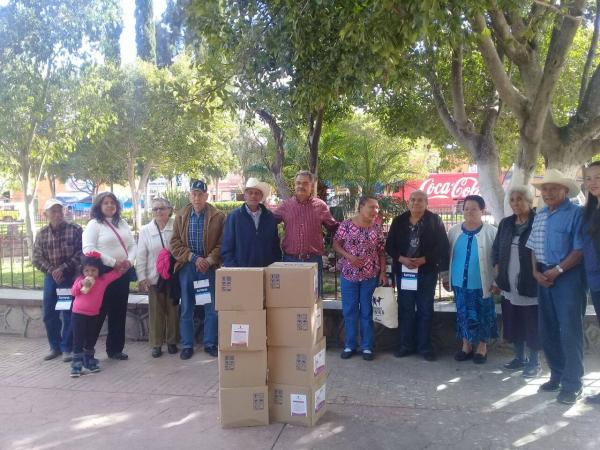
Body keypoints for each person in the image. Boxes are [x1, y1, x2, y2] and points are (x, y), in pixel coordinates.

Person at [526, 169, 585, 405]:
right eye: (544, 189)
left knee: (569, 331)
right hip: (543, 276)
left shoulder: (576, 213)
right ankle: (557, 375)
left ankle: (573, 384)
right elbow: (532, 247)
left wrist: (558, 270)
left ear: (565, 191)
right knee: (547, 329)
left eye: (553, 189)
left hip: (568, 278)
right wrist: (535, 272)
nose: (547, 193)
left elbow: (579, 251)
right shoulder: (540, 214)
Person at [385, 190, 449, 362]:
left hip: (426, 272)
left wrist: (424, 259)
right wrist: (402, 259)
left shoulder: (434, 220)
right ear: (408, 202)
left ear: (426, 203)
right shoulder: (398, 221)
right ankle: (405, 346)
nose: (416, 203)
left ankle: (425, 347)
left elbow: (442, 246)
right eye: (413, 200)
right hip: (405, 272)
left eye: (420, 200)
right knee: (405, 309)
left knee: (425, 310)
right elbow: (389, 245)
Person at [170, 180, 225, 360]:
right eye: (194, 194)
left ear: (206, 196)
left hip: (207, 269)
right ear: (189, 196)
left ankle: (210, 343)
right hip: (187, 267)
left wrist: (208, 260)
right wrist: (193, 258)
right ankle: (187, 345)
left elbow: (222, 243)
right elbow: (174, 243)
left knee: (210, 308)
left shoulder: (218, 216)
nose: (197, 198)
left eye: (200, 194)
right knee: (187, 307)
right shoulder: (180, 216)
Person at [492, 186, 540, 378]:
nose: (515, 203)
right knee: (513, 322)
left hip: (529, 281)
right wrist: (496, 267)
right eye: (512, 200)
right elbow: (496, 248)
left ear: (529, 201)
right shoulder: (506, 223)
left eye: (520, 199)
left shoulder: (537, 222)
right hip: (508, 282)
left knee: (532, 324)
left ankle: (534, 362)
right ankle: (519, 358)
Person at [443, 195, 497, 364]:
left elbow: (498, 259)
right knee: (463, 314)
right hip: (459, 282)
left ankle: (482, 347)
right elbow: (447, 256)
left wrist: (497, 281)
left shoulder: (491, 232)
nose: (469, 212)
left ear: (482, 210)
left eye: (474, 209)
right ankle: (466, 346)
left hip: (482, 283)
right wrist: (445, 277)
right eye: (466, 209)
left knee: (484, 314)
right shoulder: (454, 231)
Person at [82, 192, 136, 361]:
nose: (110, 205)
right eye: (106, 203)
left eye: (112, 202)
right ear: (99, 206)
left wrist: (129, 261)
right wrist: (113, 262)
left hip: (122, 273)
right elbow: (88, 248)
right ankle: (87, 350)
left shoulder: (122, 223)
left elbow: (132, 245)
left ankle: (115, 349)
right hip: (104, 273)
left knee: (119, 311)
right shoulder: (94, 225)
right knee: (98, 313)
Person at [333, 196, 387, 361]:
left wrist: (383, 272)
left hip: (370, 276)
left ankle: (367, 347)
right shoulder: (346, 225)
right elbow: (336, 244)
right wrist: (349, 256)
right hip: (349, 275)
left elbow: (381, 251)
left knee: (367, 311)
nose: (375, 211)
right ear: (361, 207)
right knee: (349, 311)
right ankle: (350, 345)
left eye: (376, 207)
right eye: (371, 207)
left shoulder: (376, 228)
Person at [272, 170, 338, 297]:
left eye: (305, 183)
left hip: (313, 260)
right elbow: (268, 222)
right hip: (290, 260)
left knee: (314, 297)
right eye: (298, 183)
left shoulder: (321, 206)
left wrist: (354, 227)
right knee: (291, 297)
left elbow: (333, 227)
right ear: (294, 185)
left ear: (311, 186)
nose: (301, 186)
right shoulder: (286, 206)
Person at [33, 198, 82, 362]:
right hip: (51, 279)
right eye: (53, 211)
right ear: (45, 214)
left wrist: (63, 268)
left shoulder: (75, 230)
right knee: (49, 314)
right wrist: (52, 270)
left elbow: (81, 253)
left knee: (68, 312)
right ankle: (55, 347)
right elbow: (36, 258)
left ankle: (67, 347)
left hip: (68, 279)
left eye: (59, 210)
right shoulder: (42, 234)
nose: (57, 214)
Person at [136, 198, 179, 358]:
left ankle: (172, 341)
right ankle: (156, 344)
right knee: (155, 312)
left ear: (169, 210)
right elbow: (141, 255)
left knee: (173, 310)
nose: (159, 212)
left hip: (173, 276)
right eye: (155, 209)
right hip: (154, 277)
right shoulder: (146, 230)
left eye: (162, 208)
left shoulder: (177, 226)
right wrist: (142, 277)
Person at [70, 252, 125, 377]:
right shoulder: (80, 279)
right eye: (87, 271)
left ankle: (89, 361)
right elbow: (73, 292)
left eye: (93, 270)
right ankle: (76, 365)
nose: (90, 273)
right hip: (78, 314)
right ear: (82, 271)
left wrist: (122, 265)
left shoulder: (102, 280)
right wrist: (81, 284)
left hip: (93, 315)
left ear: (99, 270)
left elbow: (116, 274)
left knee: (90, 339)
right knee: (78, 340)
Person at [221, 178, 281, 267]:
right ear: (245, 196)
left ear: (261, 196)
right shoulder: (234, 217)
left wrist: (274, 266)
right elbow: (227, 246)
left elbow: (275, 244)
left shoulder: (269, 217)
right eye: (250, 193)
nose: (253, 196)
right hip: (241, 270)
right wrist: (233, 267)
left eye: (257, 193)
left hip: (266, 269)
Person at [582, 161, 600, 404]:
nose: (593, 182)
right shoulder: (591, 210)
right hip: (595, 281)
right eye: (588, 178)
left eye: (598, 177)